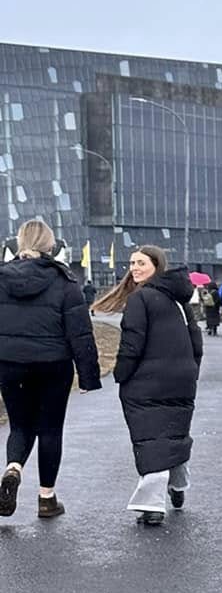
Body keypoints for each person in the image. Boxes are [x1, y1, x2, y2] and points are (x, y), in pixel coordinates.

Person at [0, 217, 102, 521]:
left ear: (19, 243)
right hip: (53, 365)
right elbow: (80, 332)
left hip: (10, 363)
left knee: (19, 425)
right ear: (50, 245)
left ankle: (12, 469)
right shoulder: (65, 281)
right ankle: (47, 499)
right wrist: (88, 375)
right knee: (50, 429)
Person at [94, 246, 201, 526]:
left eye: (141, 263)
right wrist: (191, 371)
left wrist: (121, 374)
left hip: (146, 381)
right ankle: (178, 484)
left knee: (150, 437)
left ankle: (151, 504)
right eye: (132, 263)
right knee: (174, 432)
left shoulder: (140, 299)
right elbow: (196, 341)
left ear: (157, 266)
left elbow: (132, 343)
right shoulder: (179, 301)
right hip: (182, 378)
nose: (134, 268)